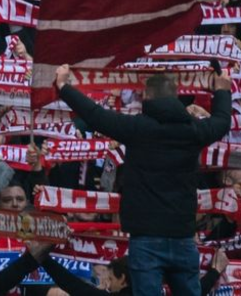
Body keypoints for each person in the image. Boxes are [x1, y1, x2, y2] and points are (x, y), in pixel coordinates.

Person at [53, 66, 233, 296]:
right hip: (183, 236)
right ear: (175, 96)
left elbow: (95, 115)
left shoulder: (137, 128)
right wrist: (222, 91)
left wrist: (64, 86)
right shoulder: (194, 130)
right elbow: (222, 121)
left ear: (147, 97)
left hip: (146, 239)